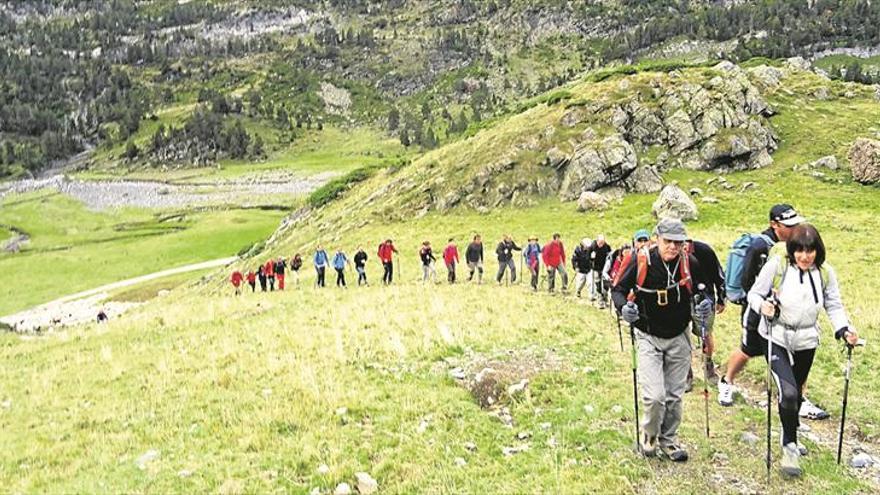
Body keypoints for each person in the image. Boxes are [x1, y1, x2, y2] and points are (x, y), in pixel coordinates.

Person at [747, 223, 858, 477]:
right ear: (792, 249)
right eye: (799, 250)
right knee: (787, 393)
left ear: (818, 251)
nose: (805, 256)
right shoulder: (778, 266)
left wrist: (844, 330)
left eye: (810, 251)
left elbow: (834, 304)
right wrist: (763, 305)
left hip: (807, 339)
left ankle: (790, 430)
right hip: (776, 335)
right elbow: (753, 294)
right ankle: (789, 447)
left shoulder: (825, 273)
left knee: (795, 394)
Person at [717, 205, 829, 420]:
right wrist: (764, 303)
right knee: (748, 349)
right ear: (774, 225)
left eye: (796, 223)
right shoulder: (760, 245)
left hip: (787, 315)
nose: (794, 228)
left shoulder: (794, 246)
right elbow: (747, 281)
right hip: (758, 311)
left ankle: (799, 399)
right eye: (789, 225)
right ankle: (727, 381)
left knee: (797, 357)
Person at [613, 218, 710, 462]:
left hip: (679, 335)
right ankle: (650, 436)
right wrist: (624, 308)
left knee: (674, 395)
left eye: (678, 243)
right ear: (657, 239)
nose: (673, 247)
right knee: (655, 395)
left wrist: (705, 302)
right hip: (648, 335)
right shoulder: (640, 259)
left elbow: (703, 290)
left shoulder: (690, 262)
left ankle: (669, 441)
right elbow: (617, 290)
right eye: (668, 241)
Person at [684, 238, 726, 386]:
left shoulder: (704, 251)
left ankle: (708, 364)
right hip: (680, 298)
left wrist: (721, 298)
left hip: (704, 298)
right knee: (682, 335)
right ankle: (686, 372)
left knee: (706, 333)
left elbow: (718, 274)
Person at [590, 235, 612, 307]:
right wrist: (591, 258)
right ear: (597, 241)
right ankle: (600, 299)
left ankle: (605, 299)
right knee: (598, 283)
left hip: (604, 267)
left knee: (605, 283)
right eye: (600, 243)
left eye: (602, 243)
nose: (601, 244)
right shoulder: (592, 247)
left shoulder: (606, 247)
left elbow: (610, 255)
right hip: (595, 267)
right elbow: (587, 256)